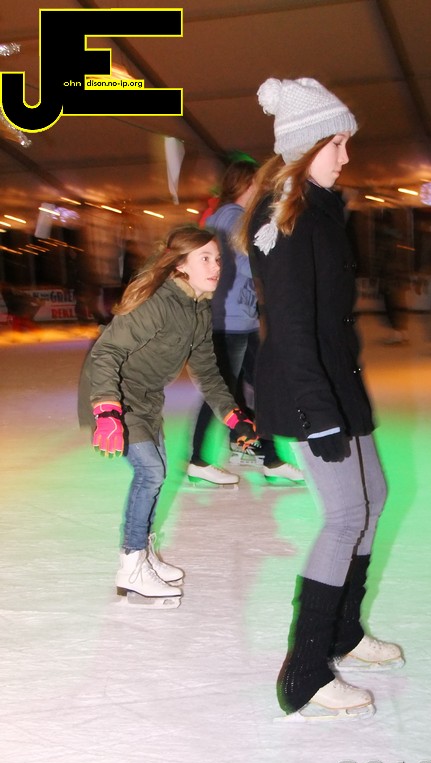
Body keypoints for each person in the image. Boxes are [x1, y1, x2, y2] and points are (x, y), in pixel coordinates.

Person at [238, 77, 404, 720]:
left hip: (338, 378)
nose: (346, 155)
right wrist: (319, 415)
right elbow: (291, 327)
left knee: (374, 497)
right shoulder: (289, 221)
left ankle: (343, 631)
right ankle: (305, 671)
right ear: (308, 147)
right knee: (344, 515)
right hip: (310, 387)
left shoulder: (323, 209)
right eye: (337, 143)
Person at [78, 225, 257, 607]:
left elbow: (207, 372)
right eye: (204, 258)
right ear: (180, 265)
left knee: (155, 474)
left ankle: (142, 553)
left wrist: (234, 417)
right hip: (112, 395)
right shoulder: (157, 303)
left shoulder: (199, 309)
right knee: (151, 472)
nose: (215, 266)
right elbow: (106, 353)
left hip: (145, 400)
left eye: (217, 258)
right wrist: (106, 411)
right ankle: (131, 564)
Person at [186, 160, 304, 486]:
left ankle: (265, 455)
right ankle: (198, 459)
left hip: (238, 319)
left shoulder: (224, 216)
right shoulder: (233, 217)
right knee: (223, 392)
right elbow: (245, 262)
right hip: (230, 322)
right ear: (247, 184)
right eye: (258, 185)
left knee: (255, 387)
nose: (262, 191)